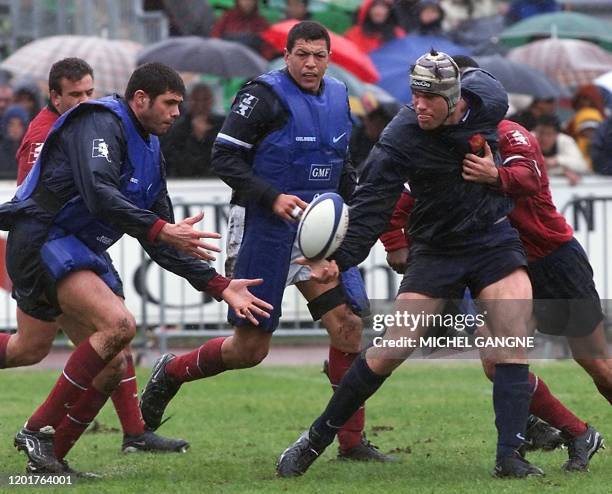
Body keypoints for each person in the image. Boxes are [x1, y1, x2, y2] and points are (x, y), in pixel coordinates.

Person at [276, 51, 543, 478]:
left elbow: (485, 92)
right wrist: (337, 259)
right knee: (391, 349)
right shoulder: (400, 139)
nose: (418, 106)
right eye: (414, 96)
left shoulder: (490, 99)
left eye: (429, 99)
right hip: (437, 249)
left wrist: (495, 170)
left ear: (454, 99)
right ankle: (314, 439)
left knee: (513, 335)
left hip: (492, 237)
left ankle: (510, 458)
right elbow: (370, 209)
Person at [0, 62, 271, 475]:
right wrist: (163, 229)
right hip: (44, 241)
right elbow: (99, 193)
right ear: (140, 99)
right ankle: (38, 431)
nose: (176, 113)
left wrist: (221, 285)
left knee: (72, 356)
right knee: (119, 325)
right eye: (170, 103)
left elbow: (161, 238)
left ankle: (47, 461)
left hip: (75, 247)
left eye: (179, 105)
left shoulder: (150, 147)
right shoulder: (101, 122)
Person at [140, 21, 393, 463]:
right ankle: (171, 373)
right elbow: (223, 157)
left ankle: (351, 442)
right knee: (250, 350)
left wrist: (354, 219)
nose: (310, 63)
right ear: (286, 54)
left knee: (349, 325)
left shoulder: (338, 97)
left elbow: (343, 166)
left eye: (319, 55)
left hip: (319, 228)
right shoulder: (262, 96)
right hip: (264, 225)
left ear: (328, 57)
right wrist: (272, 196)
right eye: (302, 54)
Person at [382, 115, 605, 471]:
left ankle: (540, 427)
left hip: (550, 258)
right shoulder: (445, 145)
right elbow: (402, 199)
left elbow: (530, 177)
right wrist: (394, 242)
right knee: (496, 363)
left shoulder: (510, 133)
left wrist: (495, 175)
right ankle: (578, 432)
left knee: (597, 362)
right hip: (500, 266)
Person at [1, 57, 191, 457]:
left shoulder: (102, 126)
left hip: (78, 246)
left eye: (89, 92)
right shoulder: (42, 135)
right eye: (74, 95)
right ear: (54, 97)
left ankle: (124, 434)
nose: (85, 100)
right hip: (48, 248)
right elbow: (34, 198)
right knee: (50, 344)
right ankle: (45, 434)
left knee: (109, 350)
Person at [160, 82, 224, 177]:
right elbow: (173, 160)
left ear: (212, 101)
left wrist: (206, 137)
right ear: (189, 101)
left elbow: (223, 157)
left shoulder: (222, 125)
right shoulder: (177, 127)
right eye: (196, 100)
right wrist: (195, 139)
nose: (200, 105)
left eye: (205, 100)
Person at [533, 114, 589, 186]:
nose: (544, 138)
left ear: (557, 135)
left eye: (549, 134)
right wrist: (562, 171)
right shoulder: (526, 140)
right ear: (535, 131)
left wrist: (557, 161)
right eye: (541, 133)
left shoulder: (566, 141)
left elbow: (582, 166)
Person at [0, 105, 28, 179]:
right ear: (5, 126)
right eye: (11, 124)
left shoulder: (30, 151)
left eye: (20, 125)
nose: (15, 129)